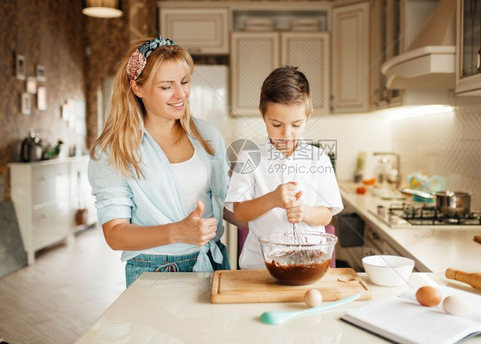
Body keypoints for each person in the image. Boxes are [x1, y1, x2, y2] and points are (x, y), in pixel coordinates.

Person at [88, 36, 240, 287]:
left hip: (213, 262)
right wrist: (177, 232)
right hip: (153, 271)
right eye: (166, 86)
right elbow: (115, 235)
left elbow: (228, 203)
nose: (181, 94)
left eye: (184, 82)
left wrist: (274, 205)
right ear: (137, 88)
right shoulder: (113, 150)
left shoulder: (206, 135)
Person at [224, 66, 343, 269]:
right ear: (263, 115)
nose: (287, 134)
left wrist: (304, 212)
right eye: (277, 125)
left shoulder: (318, 158)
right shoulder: (249, 157)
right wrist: (272, 199)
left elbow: (326, 214)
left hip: (309, 263)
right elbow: (240, 212)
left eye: (296, 124)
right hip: (259, 267)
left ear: (308, 115)